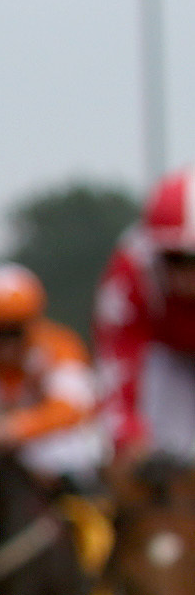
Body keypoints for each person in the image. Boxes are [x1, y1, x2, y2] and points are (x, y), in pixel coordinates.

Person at [0, 265, 105, 489]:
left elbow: (72, 408)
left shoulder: (61, 348)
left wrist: (16, 428)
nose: (6, 343)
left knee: (73, 454)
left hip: (46, 446)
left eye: (14, 330)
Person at [96, 172, 195, 464]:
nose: (183, 277)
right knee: (166, 457)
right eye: (172, 258)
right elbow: (118, 364)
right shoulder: (132, 269)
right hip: (167, 357)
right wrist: (127, 437)